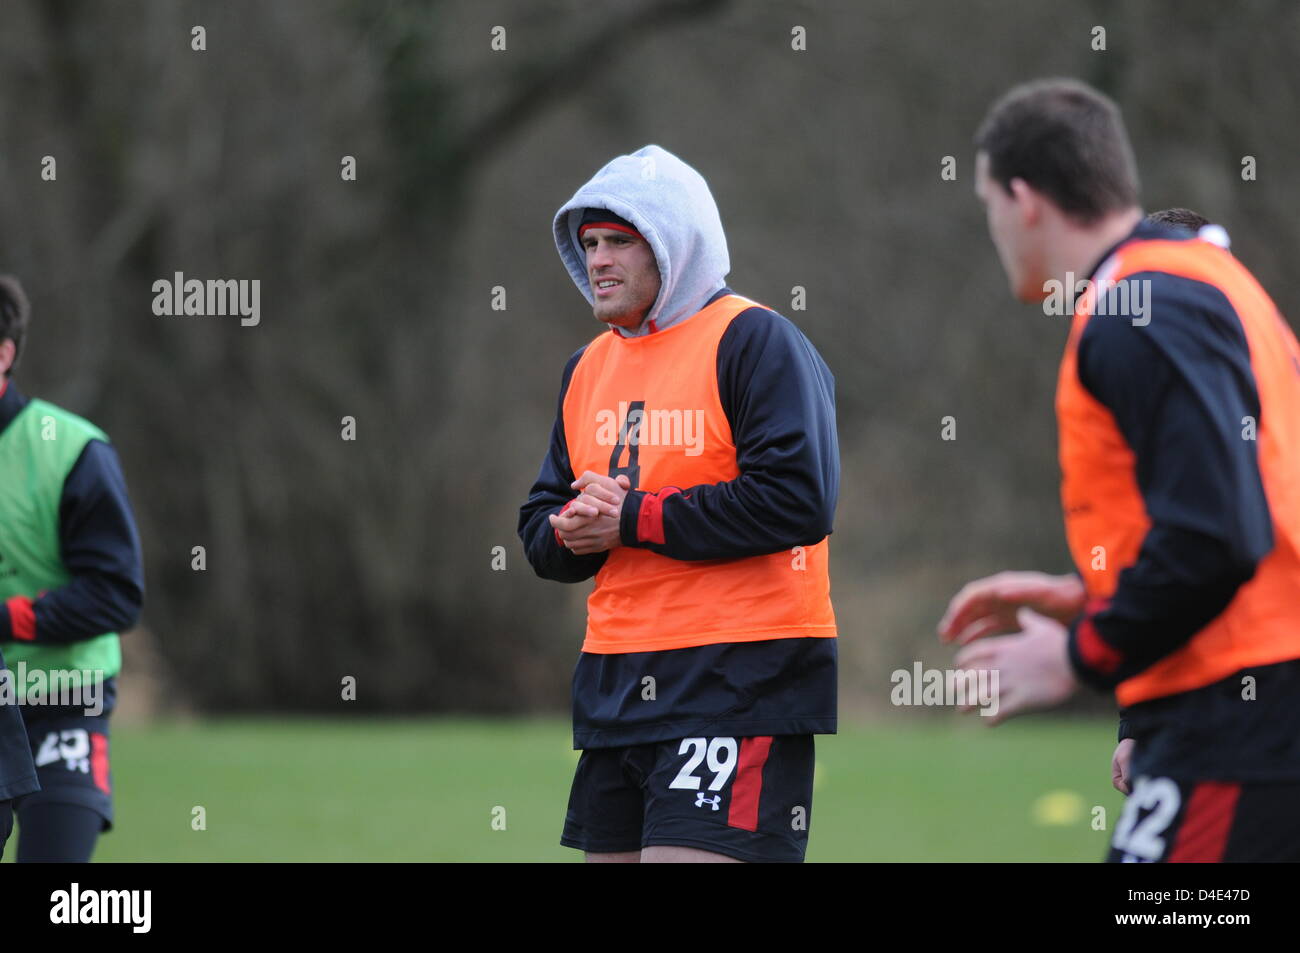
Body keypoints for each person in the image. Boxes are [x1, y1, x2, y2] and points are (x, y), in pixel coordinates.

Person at [938, 79, 1300, 862]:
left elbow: (1219, 534)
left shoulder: (1138, 309)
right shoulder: (1197, 282)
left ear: (1025, 198)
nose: (992, 225)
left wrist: (1078, 654)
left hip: (1243, 714)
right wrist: (1093, 596)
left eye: (987, 200)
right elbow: (1243, 510)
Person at [518, 145, 839, 863]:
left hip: (739, 680)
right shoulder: (586, 365)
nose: (598, 259)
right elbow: (538, 524)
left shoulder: (755, 341)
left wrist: (631, 518)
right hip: (615, 684)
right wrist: (573, 529)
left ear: (673, 241)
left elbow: (799, 498)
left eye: (620, 241)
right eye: (589, 243)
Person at [0, 275, 144, 862]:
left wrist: (7, 619)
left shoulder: (72, 450)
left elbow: (116, 596)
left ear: (4, 353)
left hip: (62, 699)